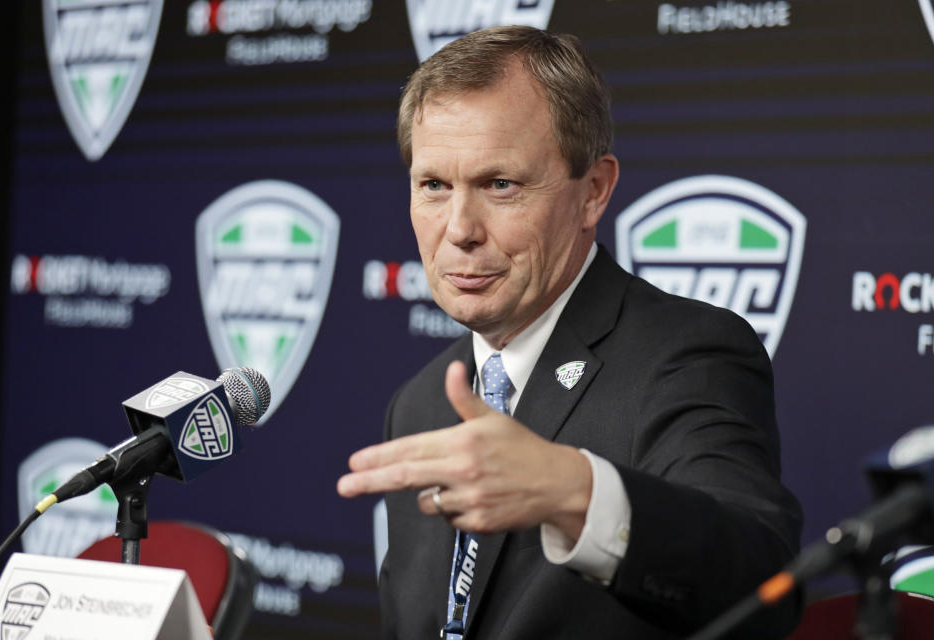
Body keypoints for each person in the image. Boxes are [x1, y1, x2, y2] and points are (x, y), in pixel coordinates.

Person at [337, 25, 802, 639]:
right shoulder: (422, 403)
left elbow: (761, 582)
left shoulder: (689, 356)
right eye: (434, 186)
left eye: (500, 184)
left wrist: (576, 492)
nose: (459, 229)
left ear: (594, 192)